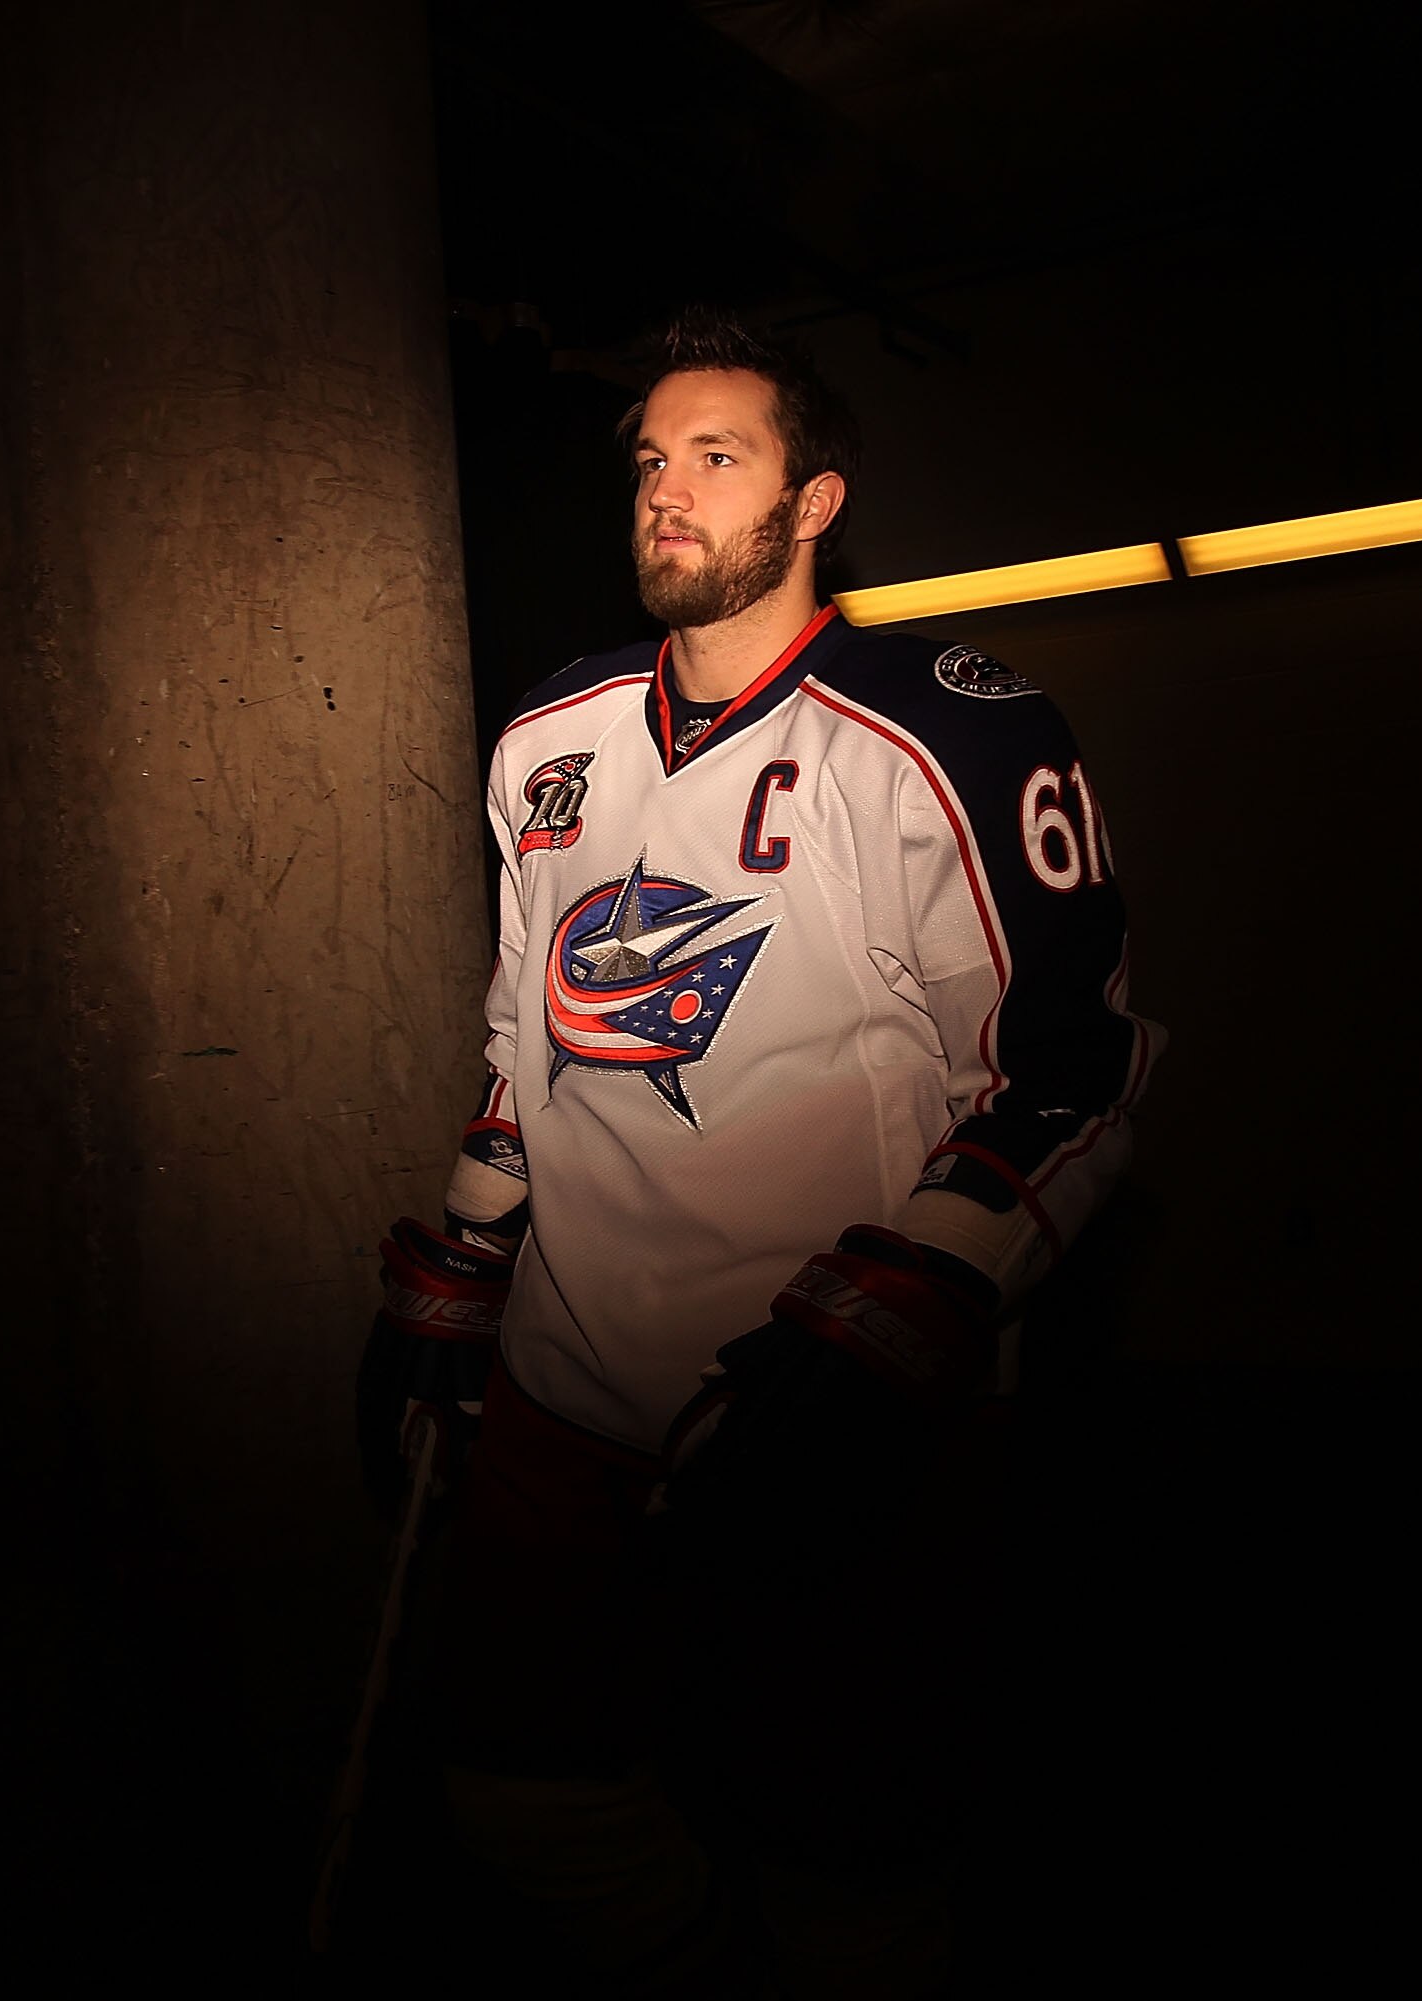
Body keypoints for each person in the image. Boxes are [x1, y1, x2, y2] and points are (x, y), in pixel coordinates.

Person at [358, 310, 1161, 1991]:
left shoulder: (960, 731)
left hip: (823, 1420)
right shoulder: (544, 742)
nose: (667, 489)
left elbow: (1077, 1067)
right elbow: (525, 1039)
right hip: (567, 1400)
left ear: (813, 505)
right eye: (650, 458)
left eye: (717, 456)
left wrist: (903, 1325)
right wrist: (461, 1256)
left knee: (847, 1851)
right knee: (515, 1788)